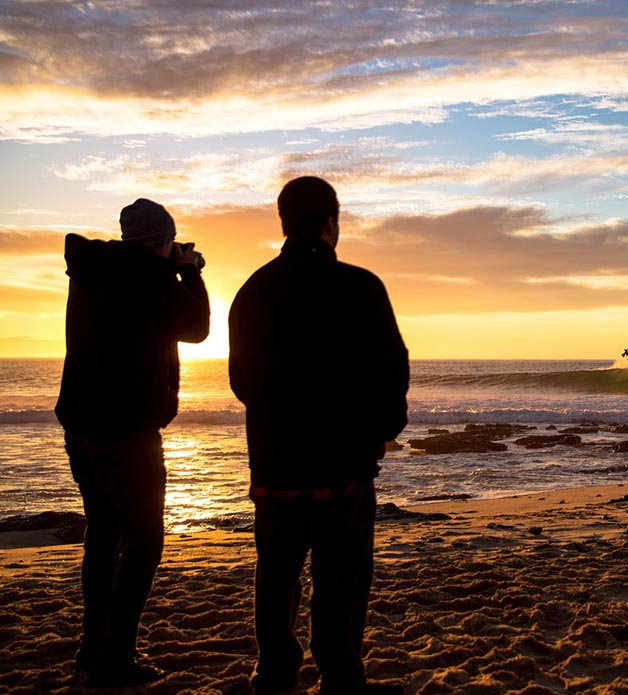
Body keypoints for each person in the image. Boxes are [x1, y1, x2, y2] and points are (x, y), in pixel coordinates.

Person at [229, 176, 409, 695]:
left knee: (277, 573)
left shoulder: (254, 289)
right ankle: (340, 674)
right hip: (344, 465)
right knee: (342, 579)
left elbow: (242, 380)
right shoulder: (361, 285)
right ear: (333, 222)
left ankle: (275, 673)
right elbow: (392, 373)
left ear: (283, 222)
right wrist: (378, 433)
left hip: (276, 462)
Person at [55, 198, 210, 687]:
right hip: (129, 432)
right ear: (163, 240)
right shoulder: (150, 276)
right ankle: (116, 654)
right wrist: (190, 272)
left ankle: (90, 649)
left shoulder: (90, 272)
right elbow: (199, 328)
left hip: (82, 428)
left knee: (102, 537)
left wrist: (169, 266)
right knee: (143, 543)